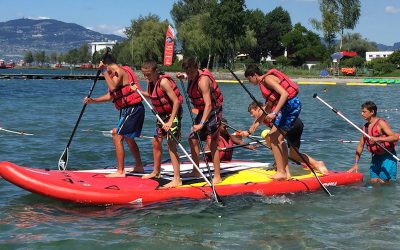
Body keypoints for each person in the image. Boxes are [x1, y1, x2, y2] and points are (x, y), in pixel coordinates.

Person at [84, 54, 145, 177]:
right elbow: (110, 96)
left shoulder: (119, 71)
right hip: (130, 109)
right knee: (128, 137)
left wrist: (103, 71)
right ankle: (139, 166)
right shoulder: (114, 75)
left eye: (104, 67)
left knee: (117, 135)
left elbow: (112, 86)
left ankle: (120, 171)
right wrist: (93, 100)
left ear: (106, 65)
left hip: (133, 109)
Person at [241, 64, 301, 180]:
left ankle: (281, 172)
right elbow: (267, 107)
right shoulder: (263, 84)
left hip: (291, 106)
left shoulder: (267, 79)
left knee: (274, 137)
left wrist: (274, 113)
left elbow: (285, 94)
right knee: (274, 137)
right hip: (286, 108)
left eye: (249, 79)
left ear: (254, 75)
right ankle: (283, 171)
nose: (249, 82)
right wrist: (251, 130)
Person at [132, 60, 183, 188]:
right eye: (144, 74)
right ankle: (156, 171)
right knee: (156, 142)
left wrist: (171, 121)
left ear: (155, 71)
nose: (146, 77)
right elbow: (151, 95)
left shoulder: (164, 82)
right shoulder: (151, 82)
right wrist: (137, 91)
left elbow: (176, 102)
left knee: (171, 144)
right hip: (162, 116)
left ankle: (177, 179)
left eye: (148, 74)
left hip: (173, 114)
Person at [244, 101, 328, 176]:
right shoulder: (263, 118)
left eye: (252, 112)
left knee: (270, 138)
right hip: (295, 126)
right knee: (294, 155)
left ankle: (282, 168)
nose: (251, 115)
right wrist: (246, 132)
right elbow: (256, 124)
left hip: (292, 124)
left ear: (258, 108)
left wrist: (248, 132)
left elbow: (259, 121)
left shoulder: (266, 109)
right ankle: (317, 163)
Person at [176, 57, 223, 184]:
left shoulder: (203, 81)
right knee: (192, 138)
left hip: (213, 111)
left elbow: (208, 104)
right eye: (188, 72)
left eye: (191, 72)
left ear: (196, 68)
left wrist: (201, 124)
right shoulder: (191, 75)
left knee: (213, 142)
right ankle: (196, 170)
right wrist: (184, 76)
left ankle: (217, 176)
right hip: (202, 111)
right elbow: (190, 76)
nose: (190, 75)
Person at [348, 101, 398, 183]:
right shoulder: (365, 127)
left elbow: (395, 137)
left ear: (372, 112)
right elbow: (360, 145)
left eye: (364, 112)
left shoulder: (380, 123)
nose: (362, 114)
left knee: (383, 182)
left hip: (388, 156)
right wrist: (356, 163)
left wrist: (378, 139)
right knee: (373, 181)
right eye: (361, 111)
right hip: (376, 157)